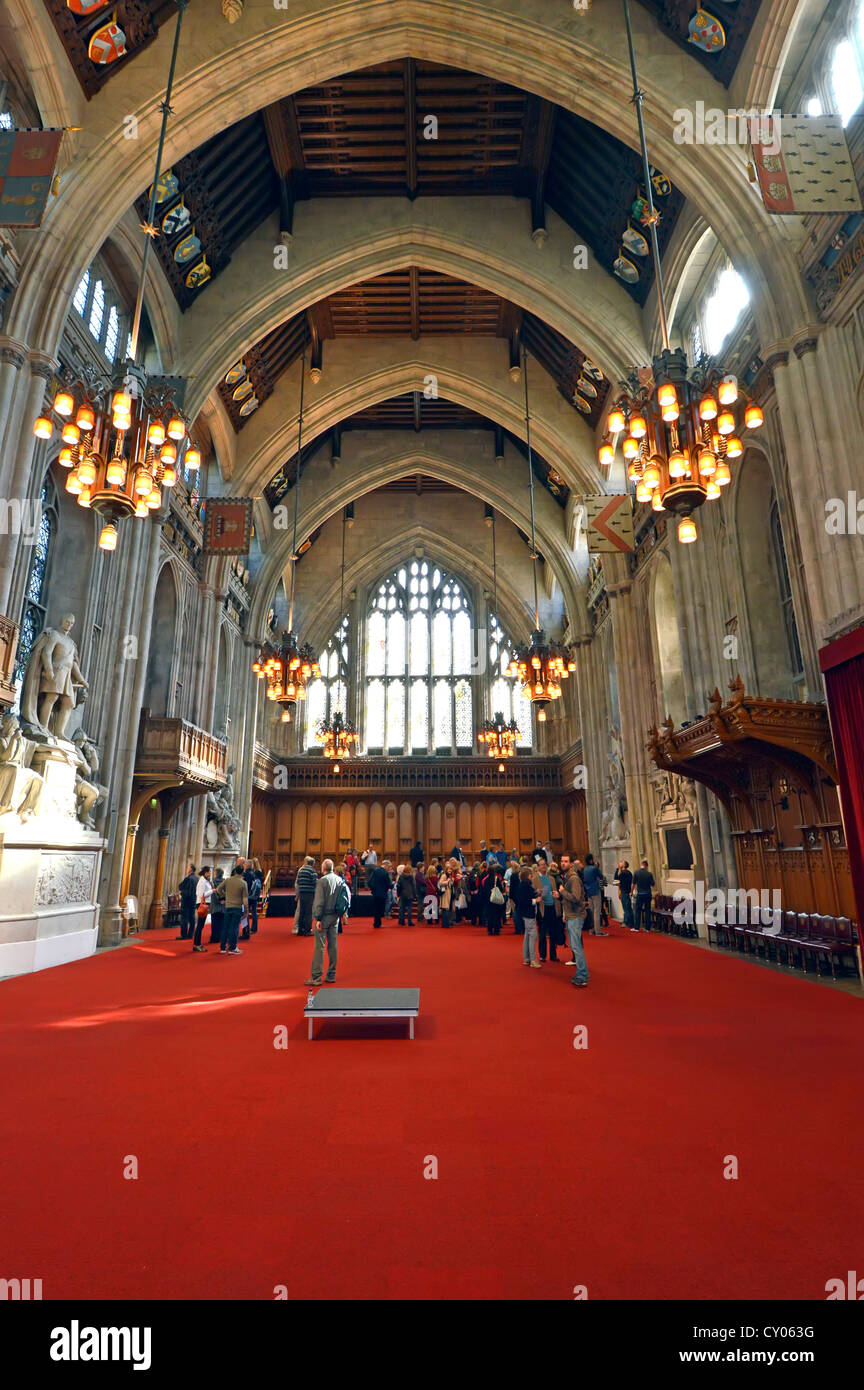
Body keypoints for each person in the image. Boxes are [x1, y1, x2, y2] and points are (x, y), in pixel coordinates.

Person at [306, 858, 349, 986]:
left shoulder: (322, 881)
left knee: (319, 946)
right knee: (333, 946)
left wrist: (318, 918)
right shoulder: (339, 879)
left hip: (324, 916)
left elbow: (319, 902)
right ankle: (331, 974)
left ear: (323, 868)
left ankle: (316, 976)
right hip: (335, 917)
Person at [560, 855, 589, 986]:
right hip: (571, 914)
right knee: (574, 945)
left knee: (576, 946)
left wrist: (563, 892)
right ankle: (581, 973)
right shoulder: (567, 877)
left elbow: (576, 897)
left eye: (566, 861)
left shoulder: (574, 879)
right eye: (561, 861)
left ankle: (582, 975)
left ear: (571, 864)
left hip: (576, 915)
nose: (563, 864)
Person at [531, 856, 562, 961]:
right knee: (542, 933)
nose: (543, 866)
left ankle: (553, 955)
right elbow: (531, 894)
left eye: (545, 864)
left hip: (552, 907)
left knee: (553, 932)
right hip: (542, 908)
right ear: (538, 867)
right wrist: (537, 893)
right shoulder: (535, 879)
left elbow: (556, 891)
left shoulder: (552, 879)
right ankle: (542, 955)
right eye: (541, 865)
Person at [220, 865, 248, 955]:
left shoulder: (228, 880)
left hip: (228, 906)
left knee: (225, 927)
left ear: (235, 871)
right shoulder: (243, 883)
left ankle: (222, 948)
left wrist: (224, 895)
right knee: (234, 928)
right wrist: (246, 910)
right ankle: (232, 947)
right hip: (237, 907)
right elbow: (245, 898)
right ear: (242, 872)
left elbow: (218, 889)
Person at [515, 866, 541, 967]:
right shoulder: (525, 885)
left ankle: (527, 958)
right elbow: (524, 900)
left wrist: (535, 893)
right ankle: (533, 960)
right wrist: (535, 900)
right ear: (528, 876)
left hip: (526, 913)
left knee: (527, 935)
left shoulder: (524, 885)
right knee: (533, 936)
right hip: (528, 913)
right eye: (531, 875)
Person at [583, 854, 608, 936]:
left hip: (588, 891)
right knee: (597, 911)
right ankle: (598, 931)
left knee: (591, 911)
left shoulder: (585, 869)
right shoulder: (594, 868)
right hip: (595, 891)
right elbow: (601, 876)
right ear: (591, 860)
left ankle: (592, 929)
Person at [294, 856, 317, 936]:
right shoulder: (312, 870)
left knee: (302, 912)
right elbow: (314, 882)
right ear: (312, 864)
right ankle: (307, 930)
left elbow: (298, 881)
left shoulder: (301, 870)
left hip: (302, 892)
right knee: (308, 912)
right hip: (309, 893)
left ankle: (300, 930)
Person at [482, 861, 506, 935]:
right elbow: (501, 889)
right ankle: (496, 930)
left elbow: (484, 890)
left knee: (490, 915)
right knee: (497, 915)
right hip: (496, 899)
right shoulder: (497, 879)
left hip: (489, 899)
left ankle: (490, 930)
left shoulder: (486, 880)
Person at [192, 865, 212, 952]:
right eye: (209, 872)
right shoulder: (202, 881)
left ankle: (198, 944)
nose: (210, 874)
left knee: (201, 925)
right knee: (200, 925)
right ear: (206, 872)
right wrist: (212, 891)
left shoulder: (205, 881)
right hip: (201, 904)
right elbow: (201, 895)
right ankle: (197, 944)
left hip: (204, 904)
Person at [633, 858, 655, 932]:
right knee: (647, 910)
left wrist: (631, 891)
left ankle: (636, 927)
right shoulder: (649, 874)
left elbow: (633, 883)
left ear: (641, 865)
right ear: (646, 866)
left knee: (638, 910)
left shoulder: (636, 872)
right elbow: (653, 884)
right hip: (647, 894)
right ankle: (647, 928)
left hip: (640, 893)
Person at [177, 863, 198, 941]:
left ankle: (184, 934)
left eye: (188, 867)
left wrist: (181, 893)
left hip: (186, 901)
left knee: (184, 918)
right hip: (193, 900)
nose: (187, 869)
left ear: (191, 869)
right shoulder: (196, 878)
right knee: (192, 918)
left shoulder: (188, 878)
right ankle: (191, 934)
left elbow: (181, 887)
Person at [368, 860, 391, 928]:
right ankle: (378, 924)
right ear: (386, 865)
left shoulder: (375, 871)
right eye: (389, 867)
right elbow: (389, 884)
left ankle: (376, 923)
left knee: (376, 909)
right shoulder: (385, 873)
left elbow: (369, 882)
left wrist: (373, 889)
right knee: (380, 909)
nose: (389, 868)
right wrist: (392, 885)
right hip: (382, 894)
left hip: (375, 893)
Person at [615, 860, 634, 929]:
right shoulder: (628, 872)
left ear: (624, 865)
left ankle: (627, 922)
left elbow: (616, 877)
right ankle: (631, 922)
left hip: (625, 892)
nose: (619, 863)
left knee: (626, 908)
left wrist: (618, 869)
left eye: (621, 862)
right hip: (626, 891)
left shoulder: (624, 873)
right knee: (628, 908)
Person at [438, 860, 457, 928]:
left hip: (450, 894)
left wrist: (452, 880)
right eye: (449, 869)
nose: (450, 871)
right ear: (446, 870)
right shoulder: (444, 875)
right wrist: (447, 881)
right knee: (445, 909)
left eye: (451, 870)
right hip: (445, 894)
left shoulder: (450, 876)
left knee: (448, 909)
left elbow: (451, 884)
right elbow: (440, 883)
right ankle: (445, 924)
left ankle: (448, 923)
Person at [209, 868, 225, 946]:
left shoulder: (213, 882)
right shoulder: (225, 881)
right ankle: (221, 938)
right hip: (223, 905)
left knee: (215, 923)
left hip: (215, 905)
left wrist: (218, 900)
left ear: (215, 874)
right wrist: (223, 900)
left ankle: (214, 938)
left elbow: (214, 893)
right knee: (222, 923)